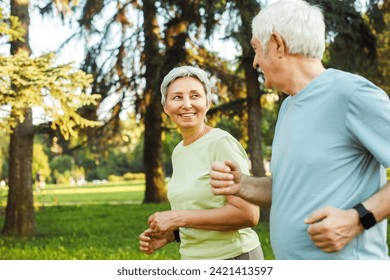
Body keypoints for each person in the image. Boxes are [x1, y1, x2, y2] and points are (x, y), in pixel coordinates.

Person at [210, 0, 390, 260]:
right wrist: (242, 185)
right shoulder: (288, 106)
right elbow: (289, 187)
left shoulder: (351, 94)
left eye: (257, 50)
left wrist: (358, 218)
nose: (255, 63)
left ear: (277, 44)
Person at [139, 66, 263, 260]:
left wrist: (178, 218)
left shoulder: (221, 142)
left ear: (207, 102)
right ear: (166, 106)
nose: (186, 104)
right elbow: (200, 209)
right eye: (177, 97)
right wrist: (174, 234)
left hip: (234, 258)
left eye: (195, 96)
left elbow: (248, 215)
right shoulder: (179, 151)